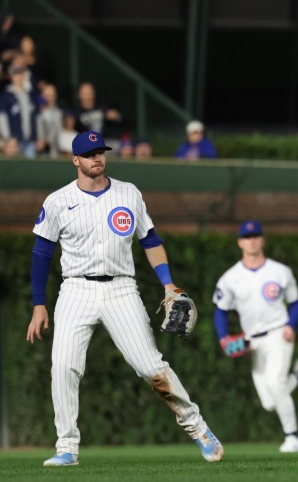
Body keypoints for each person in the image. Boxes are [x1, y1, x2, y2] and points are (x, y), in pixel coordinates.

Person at [26, 130, 224, 467]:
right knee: (63, 367)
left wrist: (168, 284)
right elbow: (41, 253)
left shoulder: (128, 193)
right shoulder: (57, 200)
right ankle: (67, 448)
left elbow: (149, 240)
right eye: (89, 154)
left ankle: (199, 429)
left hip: (121, 288)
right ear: (75, 160)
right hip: (76, 289)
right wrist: (38, 304)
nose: (97, 158)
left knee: (150, 366)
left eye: (100, 151)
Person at [212, 221, 298, 453]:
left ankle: (293, 437)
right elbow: (220, 310)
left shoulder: (280, 271)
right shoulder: (230, 278)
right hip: (251, 341)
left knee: (275, 383)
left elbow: (296, 303)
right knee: (270, 402)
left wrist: (291, 324)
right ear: (240, 242)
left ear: (262, 240)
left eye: (255, 236)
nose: (251, 240)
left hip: (278, 333)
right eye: (247, 236)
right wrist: (223, 338)